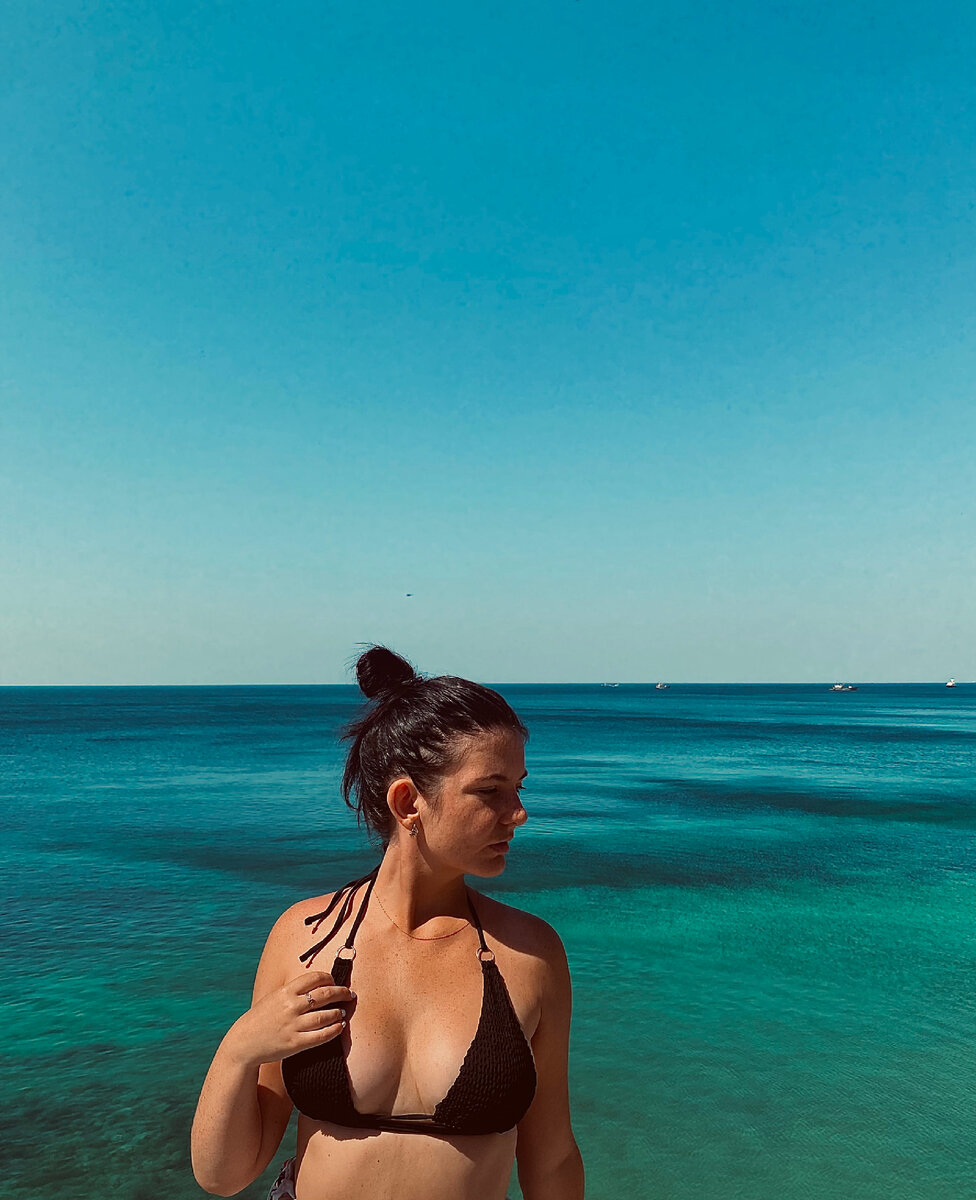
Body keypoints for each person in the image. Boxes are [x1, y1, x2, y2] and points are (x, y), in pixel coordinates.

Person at [192, 646, 584, 1200]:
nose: (518, 813)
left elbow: (552, 1157)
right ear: (407, 802)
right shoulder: (305, 937)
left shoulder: (530, 954)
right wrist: (239, 1049)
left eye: (519, 788)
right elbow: (224, 1175)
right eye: (490, 791)